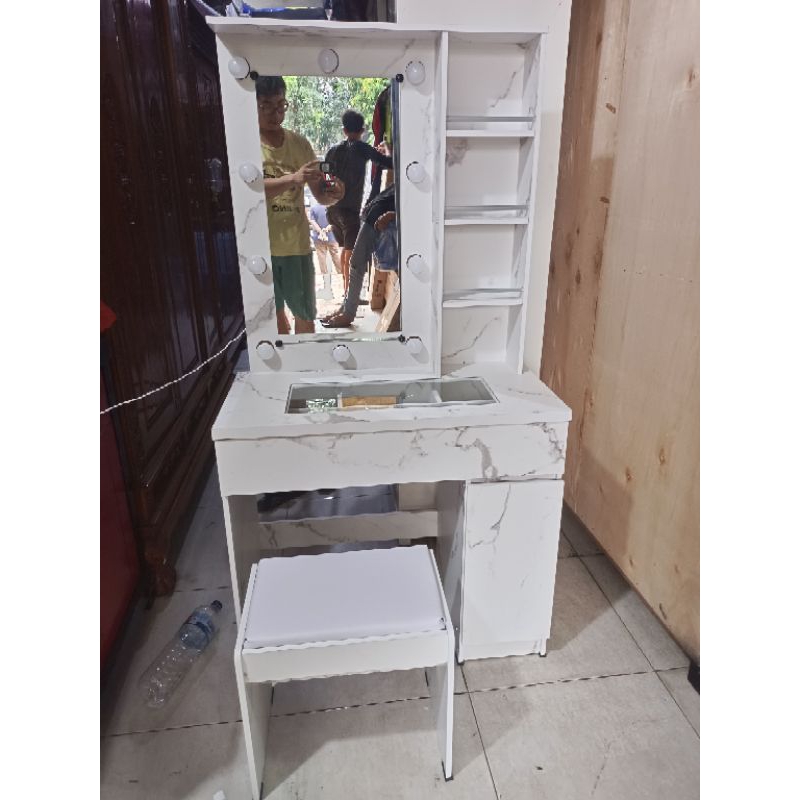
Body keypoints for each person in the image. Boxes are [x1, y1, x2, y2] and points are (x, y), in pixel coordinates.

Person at [257, 75, 344, 334]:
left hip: (296, 246)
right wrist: (292, 179)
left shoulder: (300, 144)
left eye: (280, 105)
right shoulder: (245, 144)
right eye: (266, 106)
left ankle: (305, 360)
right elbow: (250, 190)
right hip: (259, 249)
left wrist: (336, 193)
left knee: (304, 315)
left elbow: (322, 196)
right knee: (273, 319)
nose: (276, 114)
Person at [325, 110, 393, 298]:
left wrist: (332, 186)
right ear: (362, 130)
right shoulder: (362, 148)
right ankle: (349, 294)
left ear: (344, 130)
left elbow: (324, 171)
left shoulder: (332, 150)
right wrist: (387, 148)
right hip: (349, 212)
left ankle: (345, 290)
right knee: (351, 253)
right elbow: (389, 163)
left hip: (332, 210)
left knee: (344, 249)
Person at [321, 184, 396, 328]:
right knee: (355, 264)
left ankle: (348, 313)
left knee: (356, 263)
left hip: (377, 220)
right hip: (372, 218)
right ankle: (346, 308)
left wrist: (392, 215)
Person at [307, 201, 342, 300]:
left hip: (319, 238)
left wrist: (320, 232)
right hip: (332, 237)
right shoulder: (333, 205)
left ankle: (327, 288)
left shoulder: (314, 208)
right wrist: (326, 230)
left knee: (322, 260)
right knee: (337, 259)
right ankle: (344, 283)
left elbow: (312, 221)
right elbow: (336, 221)